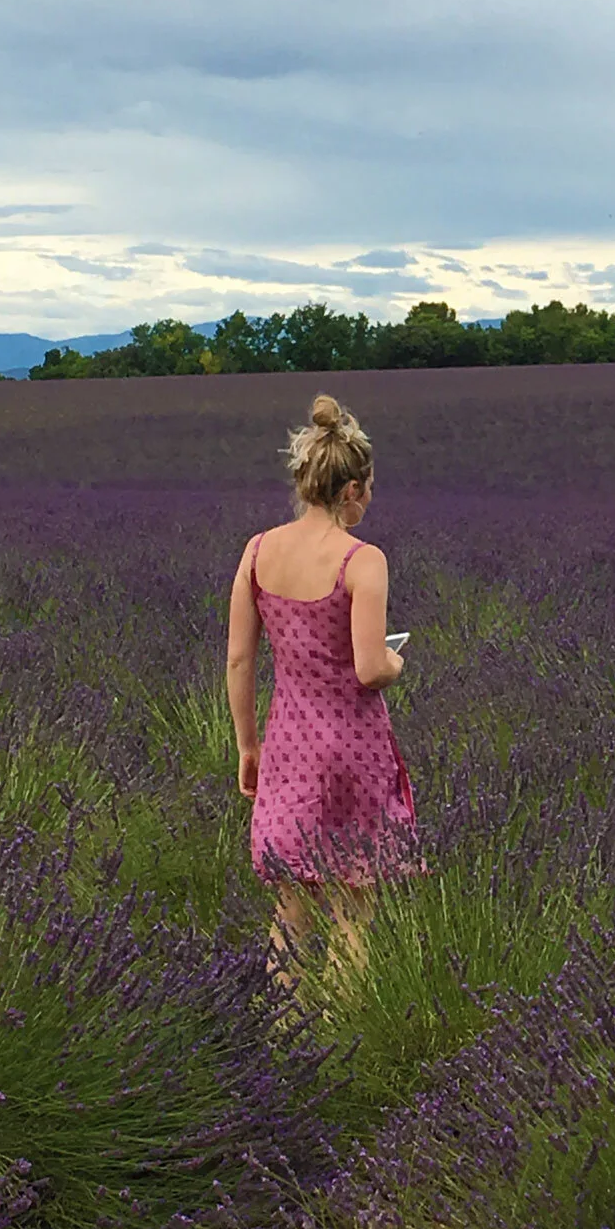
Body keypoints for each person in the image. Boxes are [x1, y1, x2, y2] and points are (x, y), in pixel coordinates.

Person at [226, 393, 418, 997]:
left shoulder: (258, 552)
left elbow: (238, 658)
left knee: (291, 911)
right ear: (352, 489)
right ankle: (343, 1045)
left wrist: (247, 747)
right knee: (354, 911)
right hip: (353, 750)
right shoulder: (364, 561)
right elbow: (367, 669)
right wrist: (395, 662)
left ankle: (286, 1044)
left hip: (288, 744)